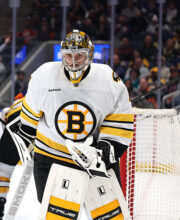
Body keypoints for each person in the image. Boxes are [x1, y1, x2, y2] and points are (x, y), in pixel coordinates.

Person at [11, 30, 133, 217]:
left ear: (89, 54)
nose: (74, 61)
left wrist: (103, 151)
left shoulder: (109, 80)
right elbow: (28, 121)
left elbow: (120, 120)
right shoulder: (43, 76)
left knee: (111, 216)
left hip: (94, 159)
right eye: (69, 55)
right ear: (62, 55)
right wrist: (23, 135)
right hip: (53, 155)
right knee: (58, 216)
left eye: (79, 55)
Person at [0, 91, 26, 220]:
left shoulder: (18, 99)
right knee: (46, 171)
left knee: (3, 172)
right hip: (36, 132)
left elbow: (5, 113)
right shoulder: (49, 92)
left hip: (11, 130)